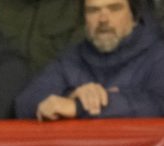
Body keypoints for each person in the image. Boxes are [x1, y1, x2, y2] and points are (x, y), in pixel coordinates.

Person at [15, 0, 164, 120]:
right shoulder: (72, 57)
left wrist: (78, 107)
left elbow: (157, 104)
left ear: (134, 16)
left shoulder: (158, 55)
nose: (103, 19)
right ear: (84, 19)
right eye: (93, 10)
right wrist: (70, 95)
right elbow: (24, 103)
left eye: (114, 8)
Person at [0, 0, 85, 74]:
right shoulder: (2, 4)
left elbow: (75, 63)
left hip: (51, 90)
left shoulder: (77, 7)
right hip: (1, 86)